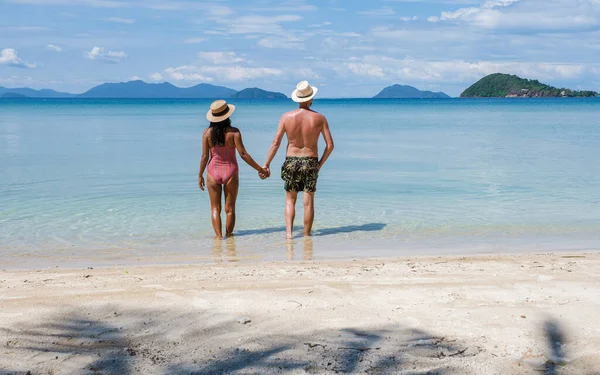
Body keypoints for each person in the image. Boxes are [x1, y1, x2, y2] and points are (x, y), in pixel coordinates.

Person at [262, 81, 334, 239]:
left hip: (291, 161)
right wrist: (319, 165)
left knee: (290, 200)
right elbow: (330, 146)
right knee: (308, 202)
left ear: (297, 98)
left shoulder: (286, 117)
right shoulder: (319, 118)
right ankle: (307, 236)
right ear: (311, 98)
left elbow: (276, 143)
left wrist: (266, 164)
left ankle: (289, 236)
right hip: (310, 161)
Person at [198, 100, 267, 238]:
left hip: (212, 172)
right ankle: (229, 237)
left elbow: (205, 156)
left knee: (215, 208)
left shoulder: (206, 133)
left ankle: (218, 238)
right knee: (230, 209)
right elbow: (243, 154)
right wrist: (260, 169)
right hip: (231, 172)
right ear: (227, 115)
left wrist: (200, 175)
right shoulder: (234, 132)